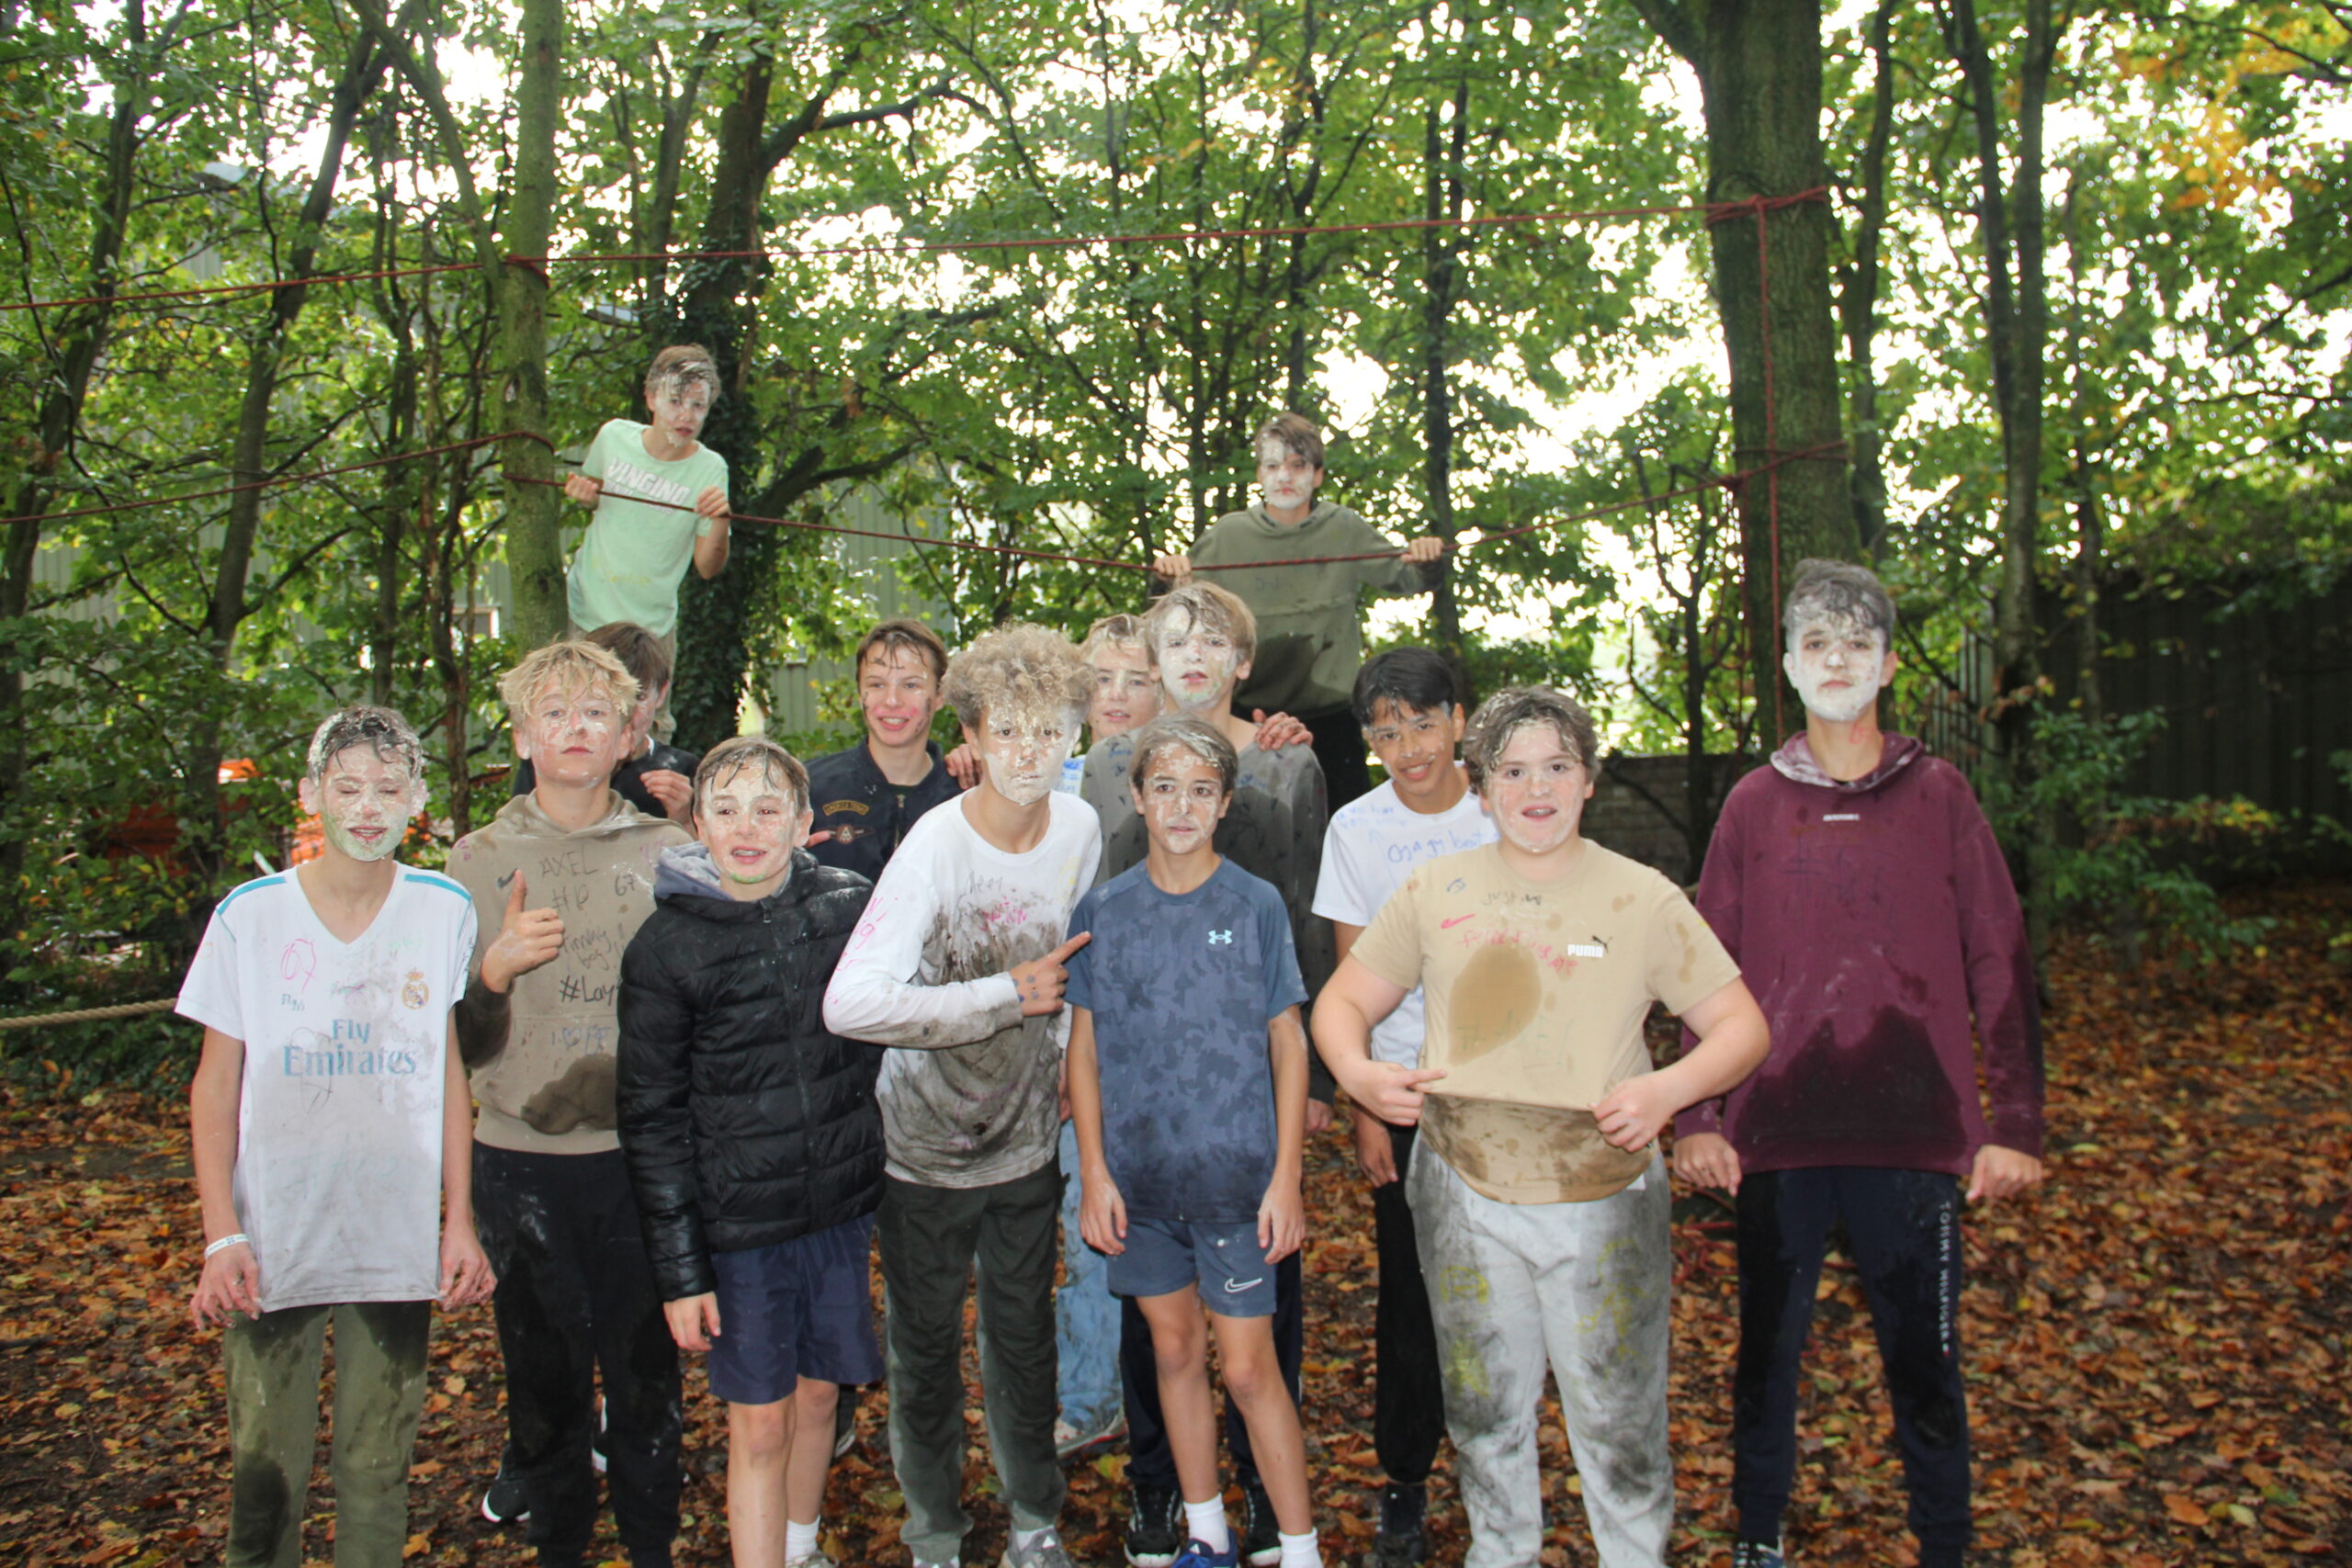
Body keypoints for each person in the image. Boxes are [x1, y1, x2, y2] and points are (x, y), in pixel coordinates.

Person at [1314, 686, 1771, 1568]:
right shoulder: (1436, 888)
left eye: (1558, 766)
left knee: (1618, 1420)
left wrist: (1668, 1090)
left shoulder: (1642, 897)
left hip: (1603, 1195)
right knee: (1484, 1412)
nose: (1537, 789)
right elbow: (1342, 1003)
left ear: (1589, 779)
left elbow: (1742, 1027)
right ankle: (1501, 1551)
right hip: (1462, 1191)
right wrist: (1360, 1074)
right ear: (1481, 787)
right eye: (1514, 770)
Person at [1672, 559, 2046, 1568]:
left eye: (1855, 643)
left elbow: (1999, 956)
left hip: (1915, 1135)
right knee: (1766, 1356)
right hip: (1774, 1132)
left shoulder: (1941, 795)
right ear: (1789, 666)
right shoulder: (1753, 803)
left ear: (1885, 665)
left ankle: (1944, 1546)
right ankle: (1758, 1538)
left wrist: (2014, 1126)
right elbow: (1703, 964)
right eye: (1815, 643)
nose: (1835, 660)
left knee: (1925, 1360)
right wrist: (1698, 1118)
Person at [182, 705, 494, 1568]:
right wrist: (221, 1234)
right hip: (273, 1237)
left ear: (418, 799)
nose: (367, 807)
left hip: (391, 1236)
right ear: (309, 793)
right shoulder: (249, 916)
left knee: (377, 1468)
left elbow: (445, 1068)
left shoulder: (443, 909)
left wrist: (459, 1219)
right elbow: (215, 1084)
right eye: (347, 786)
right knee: (264, 1478)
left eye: (388, 788)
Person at [821, 622, 1101, 1568]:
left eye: (1050, 731)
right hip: (923, 1151)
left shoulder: (1080, 828)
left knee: (1024, 1343)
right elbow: (851, 1003)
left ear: (1075, 736)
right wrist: (1000, 997)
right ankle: (934, 1533)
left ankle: (1033, 1521)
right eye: (1007, 731)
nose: (1029, 753)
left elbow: (1077, 960)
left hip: (1024, 1141)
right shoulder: (935, 847)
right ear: (971, 736)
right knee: (925, 1352)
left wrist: (1062, 1057)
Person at [1082, 583, 1329, 1568]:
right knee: (1166, 1342)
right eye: (1174, 639)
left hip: (1240, 1140)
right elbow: (1089, 1025)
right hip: (1144, 1152)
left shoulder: (1283, 764)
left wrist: (1300, 1130)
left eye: (1213, 639)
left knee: (1258, 1350)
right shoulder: (1109, 778)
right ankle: (1189, 1515)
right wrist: (1095, 1164)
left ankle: (1287, 1528)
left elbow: (1298, 961)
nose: (1193, 653)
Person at [449, 640, 694, 1568]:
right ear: (522, 736)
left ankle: (650, 1547)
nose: (576, 729)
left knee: (646, 1380)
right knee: (543, 1385)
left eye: (596, 712)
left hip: (640, 1162)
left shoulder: (670, 857)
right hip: (520, 1163)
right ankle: (559, 1547)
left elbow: (699, 1018)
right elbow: (454, 1045)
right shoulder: (477, 859)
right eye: (553, 713)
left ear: (629, 733)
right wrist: (493, 974)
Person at [617, 737, 883, 1568]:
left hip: (835, 1211)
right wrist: (681, 1272)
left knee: (820, 1395)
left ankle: (799, 1547)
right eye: (725, 810)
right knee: (761, 1420)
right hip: (739, 1229)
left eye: (768, 809)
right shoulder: (664, 947)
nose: (746, 828)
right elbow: (651, 1117)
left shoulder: (850, 908)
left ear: (803, 823)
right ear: (696, 823)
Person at [1307, 649, 1495, 1568]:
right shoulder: (1357, 828)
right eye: (1387, 731)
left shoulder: (1503, 806)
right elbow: (1351, 977)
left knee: (1507, 1293)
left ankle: (1497, 1467)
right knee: (1410, 1294)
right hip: (1406, 1094)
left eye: (1423, 723)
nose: (1409, 747)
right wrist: (1365, 1104)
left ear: (1459, 720)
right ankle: (1406, 1476)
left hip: (1507, 1092)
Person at [1151, 412, 1444, 807]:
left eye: (1297, 465)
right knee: (1243, 820)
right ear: (1259, 474)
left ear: (1317, 475)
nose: (1284, 477)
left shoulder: (1343, 528)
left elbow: (1408, 579)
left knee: (1342, 821)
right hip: (1247, 717)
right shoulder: (1228, 536)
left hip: (1333, 719)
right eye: (1273, 466)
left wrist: (1427, 559)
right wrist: (1167, 578)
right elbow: (1177, 607)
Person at [563, 345, 732, 740]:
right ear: (651, 398)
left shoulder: (711, 469)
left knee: (650, 732)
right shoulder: (613, 437)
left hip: (652, 629)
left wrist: (721, 520)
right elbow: (594, 492)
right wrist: (584, 495)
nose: (686, 415)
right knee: (575, 723)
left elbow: (708, 567)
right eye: (675, 401)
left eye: (698, 405)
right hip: (587, 613)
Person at [804, 619, 965, 883]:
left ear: (940, 696)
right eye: (877, 685)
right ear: (860, 693)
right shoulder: (808, 789)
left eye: (911, 685)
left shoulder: (967, 797)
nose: (892, 701)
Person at [509, 622, 698, 826]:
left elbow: (704, 843)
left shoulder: (683, 770)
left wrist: (683, 818)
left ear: (661, 694)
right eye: (598, 706)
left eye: (638, 697)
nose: (625, 711)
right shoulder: (552, 762)